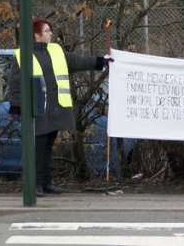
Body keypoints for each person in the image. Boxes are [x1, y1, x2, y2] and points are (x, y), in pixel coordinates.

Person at [7, 17, 112, 197]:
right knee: (37, 149)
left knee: (47, 148)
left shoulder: (55, 50)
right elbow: (15, 84)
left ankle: (46, 183)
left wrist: (100, 61)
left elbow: (78, 61)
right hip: (36, 110)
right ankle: (35, 185)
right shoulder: (22, 54)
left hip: (54, 110)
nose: (50, 34)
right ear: (36, 34)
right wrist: (17, 107)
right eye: (47, 31)